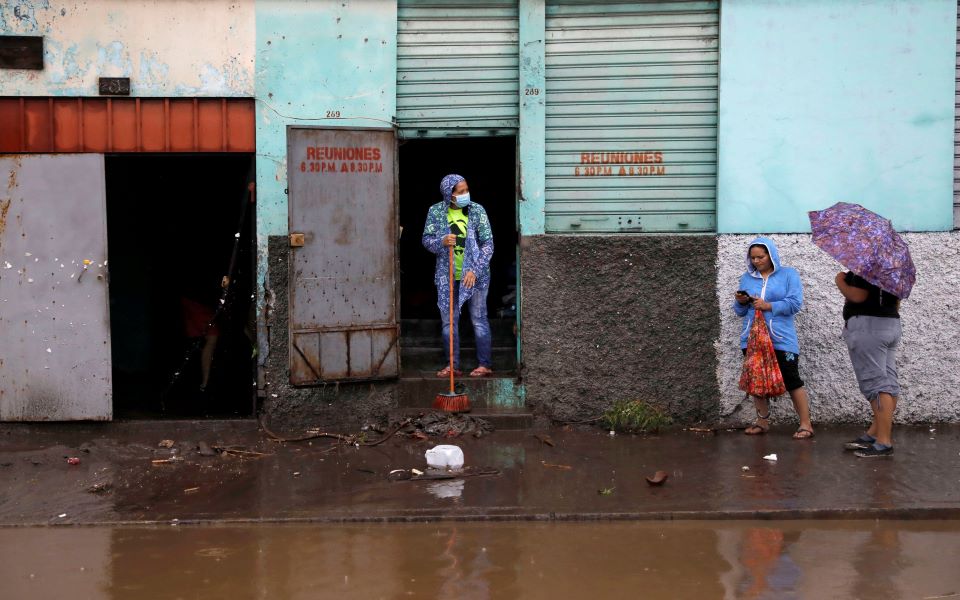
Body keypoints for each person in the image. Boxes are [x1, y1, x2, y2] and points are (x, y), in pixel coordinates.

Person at [733, 237, 814, 439]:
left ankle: (806, 424)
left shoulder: (788, 275)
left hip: (781, 339)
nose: (757, 261)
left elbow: (795, 304)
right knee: (756, 381)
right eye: (753, 258)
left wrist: (769, 305)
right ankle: (762, 422)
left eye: (761, 256)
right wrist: (742, 302)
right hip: (753, 338)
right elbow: (739, 312)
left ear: (771, 255)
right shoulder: (747, 278)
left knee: (792, 379)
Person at [422, 174, 494, 378]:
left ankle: (485, 365)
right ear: (449, 194)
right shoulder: (435, 212)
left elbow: (488, 244)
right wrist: (442, 241)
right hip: (447, 276)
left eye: (466, 189)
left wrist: (474, 270)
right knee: (449, 322)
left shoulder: (477, 210)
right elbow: (426, 240)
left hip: (475, 276)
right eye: (461, 192)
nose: (465, 194)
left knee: (479, 319)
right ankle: (452, 365)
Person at [836, 271, 902, 457]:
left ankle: (883, 442)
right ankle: (875, 433)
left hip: (868, 326)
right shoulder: (892, 268)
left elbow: (858, 296)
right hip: (891, 323)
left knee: (876, 384)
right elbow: (897, 302)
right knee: (888, 381)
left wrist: (840, 280)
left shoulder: (866, 266)